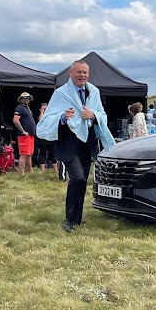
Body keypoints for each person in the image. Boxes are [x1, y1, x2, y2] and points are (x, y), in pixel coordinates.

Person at [36, 60, 115, 232]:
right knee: (77, 177)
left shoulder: (94, 91)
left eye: (85, 72)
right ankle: (69, 219)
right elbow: (49, 117)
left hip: (87, 143)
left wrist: (92, 114)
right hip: (68, 143)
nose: (83, 75)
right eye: (79, 72)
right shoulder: (61, 93)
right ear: (70, 74)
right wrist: (63, 117)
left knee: (82, 180)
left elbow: (102, 114)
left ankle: (77, 219)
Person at [13, 92, 36, 175]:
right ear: (21, 99)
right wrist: (22, 131)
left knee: (29, 153)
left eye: (28, 98)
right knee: (23, 154)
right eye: (25, 98)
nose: (26, 99)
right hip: (24, 135)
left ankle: (30, 171)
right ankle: (21, 173)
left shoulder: (27, 108)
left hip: (30, 135)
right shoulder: (19, 108)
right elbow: (15, 120)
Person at [36, 103, 57, 173]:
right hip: (43, 138)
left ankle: (55, 170)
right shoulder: (40, 116)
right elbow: (40, 119)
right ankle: (42, 171)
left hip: (51, 137)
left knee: (53, 154)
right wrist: (42, 111)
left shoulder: (51, 115)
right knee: (42, 154)